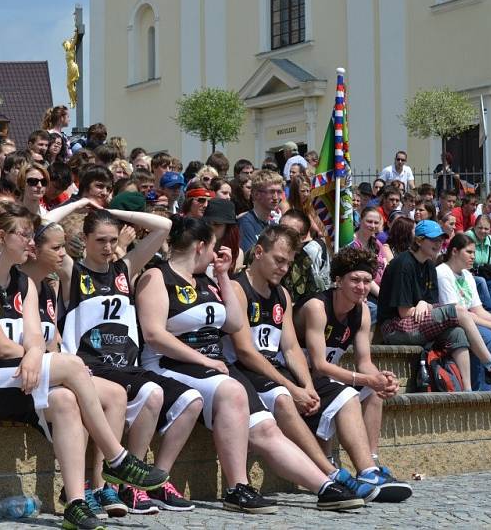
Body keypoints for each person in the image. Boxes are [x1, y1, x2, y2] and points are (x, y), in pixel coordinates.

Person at [0, 200, 169, 530]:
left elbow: (34, 336)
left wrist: (34, 354)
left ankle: (75, 503)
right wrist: (35, 355)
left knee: (69, 399)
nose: (32, 242)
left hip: (14, 371)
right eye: (25, 235)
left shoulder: (25, 283)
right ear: (2, 237)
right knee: (73, 366)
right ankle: (117, 459)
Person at [136, 216, 363, 513]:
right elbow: (154, 335)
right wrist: (205, 359)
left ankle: (325, 486)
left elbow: (232, 322)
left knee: (266, 427)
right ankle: (237, 486)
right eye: (214, 249)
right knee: (234, 391)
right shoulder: (157, 276)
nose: (217, 255)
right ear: (201, 247)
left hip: (209, 368)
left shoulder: (207, 279)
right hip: (171, 363)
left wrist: (222, 277)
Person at [230, 232, 410, 503]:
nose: (283, 268)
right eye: (279, 260)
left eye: (288, 263)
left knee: (357, 394)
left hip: (290, 371)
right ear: (257, 253)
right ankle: (331, 474)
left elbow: (290, 348)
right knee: (285, 397)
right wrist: (298, 386)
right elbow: (247, 351)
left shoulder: (283, 294)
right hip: (251, 371)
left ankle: (369, 469)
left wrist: (378, 379)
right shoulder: (244, 289)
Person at [56, 204, 202, 514]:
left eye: (112, 240)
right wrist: (79, 205)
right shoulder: (73, 272)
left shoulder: (124, 269)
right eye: (100, 241)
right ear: (84, 239)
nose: (108, 248)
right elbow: (41, 225)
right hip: (90, 365)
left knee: (188, 396)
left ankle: (124, 485)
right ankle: (112, 486)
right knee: (153, 393)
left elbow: (163, 225)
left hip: (126, 367)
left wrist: (112, 211)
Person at [376, 220, 491, 389]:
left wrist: (425, 303)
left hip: (416, 322)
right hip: (394, 327)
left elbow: (431, 304)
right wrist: (425, 305)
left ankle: (467, 392)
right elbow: (404, 312)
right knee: (458, 310)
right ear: (418, 240)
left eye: (440, 240)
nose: (438, 244)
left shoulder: (429, 265)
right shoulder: (403, 264)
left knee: (457, 333)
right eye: (433, 240)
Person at [437, 234, 491, 391]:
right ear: (454, 251)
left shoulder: (467, 275)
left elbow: (478, 310)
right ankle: (481, 392)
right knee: (489, 337)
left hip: (471, 320)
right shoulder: (442, 272)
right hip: (453, 324)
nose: (473, 257)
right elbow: (456, 313)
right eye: (469, 252)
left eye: (474, 253)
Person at [349, 207, 390, 325]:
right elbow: (363, 276)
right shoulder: (352, 243)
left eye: (376, 222)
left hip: (379, 289)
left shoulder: (376, 244)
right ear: (361, 220)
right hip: (364, 290)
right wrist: (383, 296)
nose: (372, 225)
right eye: (369, 221)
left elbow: (385, 266)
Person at [238, 169, 285, 253]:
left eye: (279, 192)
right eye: (271, 192)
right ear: (256, 194)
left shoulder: (274, 225)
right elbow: (250, 258)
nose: (276, 197)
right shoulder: (245, 223)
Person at [204, 198, 243, 276]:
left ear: (228, 227)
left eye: (217, 224)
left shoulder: (237, 253)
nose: (211, 228)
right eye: (207, 223)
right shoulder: (197, 247)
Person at [287, 173, 327, 242]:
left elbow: (317, 227)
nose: (306, 194)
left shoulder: (310, 206)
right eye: (302, 191)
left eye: (308, 191)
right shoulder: (288, 206)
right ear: (295, 192)